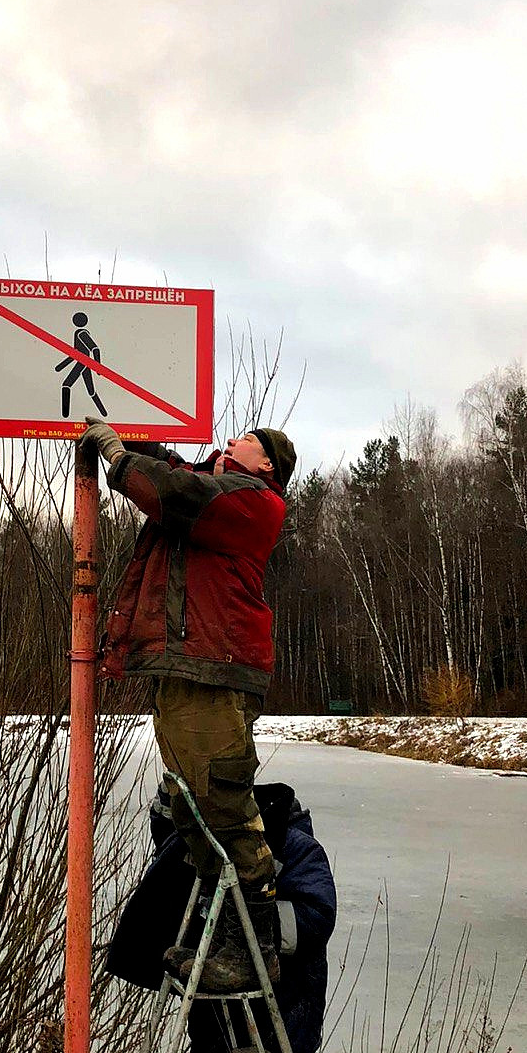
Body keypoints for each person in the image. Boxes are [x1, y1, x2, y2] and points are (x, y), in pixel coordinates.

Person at [82, 421, 297, 993]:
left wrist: (121, 460)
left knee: (220, 799)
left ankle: (254, 950)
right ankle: (224, 935)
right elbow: (177, 474)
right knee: (188, 804)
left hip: (215, 666)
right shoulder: (216, 491)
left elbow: (174, 491)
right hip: (186, 664)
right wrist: (139, 440)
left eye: (244, 441)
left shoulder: (255, 503)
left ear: (269, 465)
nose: (228, 443)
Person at [107, 781, 336, 1053]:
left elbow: (315, 915)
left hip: (283, 1020)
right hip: (216, 1025)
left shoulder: (294, 847)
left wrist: (252, 926)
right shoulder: (200, 855)